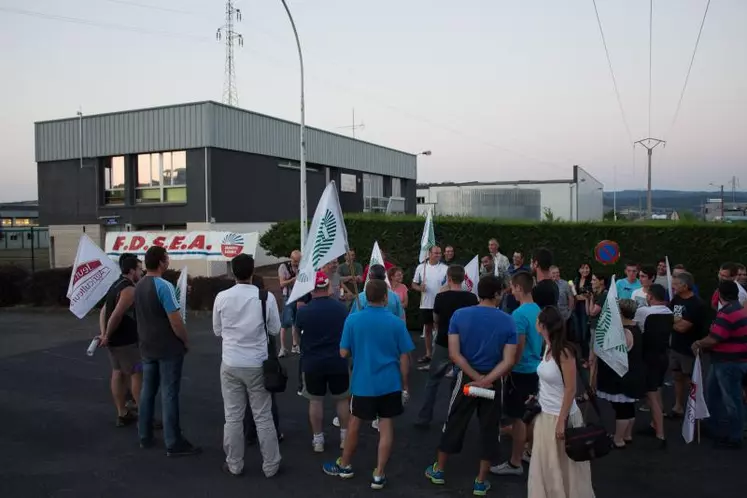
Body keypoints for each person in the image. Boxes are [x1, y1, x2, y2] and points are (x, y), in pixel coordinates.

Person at [425, 275, 518, 496]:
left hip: (466, 379)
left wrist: (475, 377)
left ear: (478, 292)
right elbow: (509, 360)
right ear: (498, 294)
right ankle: (480, 481)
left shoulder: (460, 315)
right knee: (490, 427)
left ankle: (439, 470)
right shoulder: (508, 320)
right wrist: (487, 380)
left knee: (454, 421)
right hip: (493, 381)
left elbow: (454, 354)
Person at [322, 280, 414, 490]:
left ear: (365, 297)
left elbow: (343, 352)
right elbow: (405, 356)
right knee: (386, 426)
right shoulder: (397, 323)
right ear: (385, 297)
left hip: (363, 383)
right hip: (390, 383)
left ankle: (345, 465)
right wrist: (405, 384)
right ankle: (379, 474)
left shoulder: (353, 320)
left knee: (355, 424)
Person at [213, 254, 282, 477]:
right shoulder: (265, 297)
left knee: (232, 417)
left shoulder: (222, 297)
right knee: (263, 416)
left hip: (231, 362)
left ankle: (234, 463)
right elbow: (274, 329)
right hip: (257, 364)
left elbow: (217, 330)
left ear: (233, 272)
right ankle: (271, 465)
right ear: (253, 271)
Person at [135, 246, 200, 457]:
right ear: (162, 262)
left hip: (146, 346)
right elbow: (176, 321)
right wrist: (186, 341)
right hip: (167, 348)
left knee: (148, 392)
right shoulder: (164, 286)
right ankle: (173, 441)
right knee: (169, 394)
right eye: (167, 258)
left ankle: (144, 435)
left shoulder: (139, 285)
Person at [528, 306, 595, 498]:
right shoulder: (547, 347)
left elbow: (571, 388)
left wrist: (561, 421)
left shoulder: (564, 352)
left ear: (542, 325)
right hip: (545, 415)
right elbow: (551, 380)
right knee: (548, 467)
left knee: (565, 469)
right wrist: (537, 396)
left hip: (561, 417)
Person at [414, 265, 478, 428]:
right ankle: (455, 417)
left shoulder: (441, 297)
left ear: (448, 278)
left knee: (433, 380)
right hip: (464, 344)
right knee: (460, 381)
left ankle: (424, 417)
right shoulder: (471, 298)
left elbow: (435, 319)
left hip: (444, 341)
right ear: (464, 278)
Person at [492, 271, 542, 477]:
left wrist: (508, 367)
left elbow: (518, 347)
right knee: (529, 415)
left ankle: (515, 462)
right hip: (535, 368)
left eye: (513, 287)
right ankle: (526, 452)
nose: (511, 291)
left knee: (519, 418)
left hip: (521, 372)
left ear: (519, 288)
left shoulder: (519, 315)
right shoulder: (538, 310)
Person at [296, 271, 351, 453]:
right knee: (342, 399)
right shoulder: (341, 309)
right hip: (338, 360)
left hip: (312, 362)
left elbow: (296, 336)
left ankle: (318, 439)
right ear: (328, 286)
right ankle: (345, 437)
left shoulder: (303, 311)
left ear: (312, 288)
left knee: (315, 401)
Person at [693, 280, 747, 449]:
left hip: (728, 363)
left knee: (732, 399)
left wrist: (698, 344)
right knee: (713, 394)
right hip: (728, 361)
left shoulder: (726, 314)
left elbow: (714, 338)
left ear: (720, 294)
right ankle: (714, 426)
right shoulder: (739, 309)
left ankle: (735, 435)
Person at [594, 299, 646, 448]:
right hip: (633, 373)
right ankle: (626, 435)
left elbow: (615, 353)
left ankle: (618, 439)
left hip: (623, 377)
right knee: (628, 408)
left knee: (622, 409)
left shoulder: (625, 332)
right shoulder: (636, 328)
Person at [99, 253, 143, 427]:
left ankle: (122, 412)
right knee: (136, 373)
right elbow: (116, 315)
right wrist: (107, 335)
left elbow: (104, 310)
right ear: (132, 270)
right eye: (139, 269)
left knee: (118, 372)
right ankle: (143, 413)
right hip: (125, 341)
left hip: (114, 341)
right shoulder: (129, 289)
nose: (141, 272)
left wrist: (105, 334)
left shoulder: (115, 285)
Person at [634, 284, 673, 446]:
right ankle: (655, 424)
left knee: (652, 395)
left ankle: (660, 434)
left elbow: (632, 324)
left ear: (650, 297)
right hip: (663, 356)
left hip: (648, 357)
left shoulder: (644, 312)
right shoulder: (669, 312)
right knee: (656, 391)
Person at [668, 271, 707, 418]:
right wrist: (675, 321)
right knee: (677, 376)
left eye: (676, 284)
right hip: (675, 346)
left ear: (685, 286)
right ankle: (678, 405)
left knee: (692, 379)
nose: (673, 287)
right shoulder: (676, 299)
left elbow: (683, 327)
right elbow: (670, 317)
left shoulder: (697, 304)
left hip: (689, 348)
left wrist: (672, 320)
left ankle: (695, 410)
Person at [412, 246, 449, 365]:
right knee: (427, 329)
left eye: (439, 253)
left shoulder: (445, 268)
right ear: (429, 253)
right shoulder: (421, 267)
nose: (438, 255)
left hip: (440, 303)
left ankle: (438, 353)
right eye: (435, 253)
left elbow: (449, 283)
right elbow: (414, 284)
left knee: (439, 328)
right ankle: (428, 353)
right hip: (426, 303)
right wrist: (419, 288)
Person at [278, 250, 301, 357]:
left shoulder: (300, 267)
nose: (297, 263)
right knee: (285, 323)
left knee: (295, 321)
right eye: (295, 261)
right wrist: (293, 279)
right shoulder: (283, 267)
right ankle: (282, 348)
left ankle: (295, 345)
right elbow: (282, 283)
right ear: (291, 258)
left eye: (299, 261)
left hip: (298, 296)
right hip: (287, 297)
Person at [573, 262, 593, 361]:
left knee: (585, 332)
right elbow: (575, 295)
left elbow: (587, 296)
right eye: (583, 268)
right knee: (578, 332)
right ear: (579, 270)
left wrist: (578, 297)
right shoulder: (576, 280)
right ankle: (581, 356)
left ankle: (587, 357)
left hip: (586, 309)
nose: (585, 270)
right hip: (576, 309)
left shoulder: (591, 281)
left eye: (587, 268)